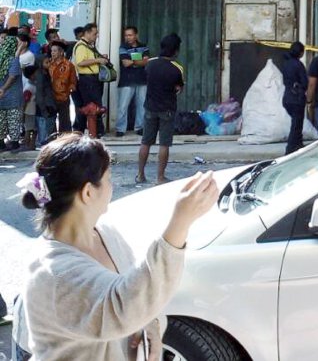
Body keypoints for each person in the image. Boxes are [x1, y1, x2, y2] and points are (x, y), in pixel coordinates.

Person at [17, 133, 218, 361]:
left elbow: (137, 286)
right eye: (108, 179)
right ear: (88, 192)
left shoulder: (104, 232)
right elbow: (121, 307)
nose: (112, 187)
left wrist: (149, 323)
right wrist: (180, 222)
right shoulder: (53, 273)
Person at [137, 34, 184, 185]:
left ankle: (140, 175)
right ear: (176, 51)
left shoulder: (149, 64)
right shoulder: (177, 69)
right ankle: (160, 177)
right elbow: (178, 88)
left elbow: (147, 79)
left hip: (150, 107)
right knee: (164, 144)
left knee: (146, 142)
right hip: (167, 109)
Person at [73, 24, 110, 135]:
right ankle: (94, 132)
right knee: (93, 107)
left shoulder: (89, 46)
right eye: (95, 33)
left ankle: (95, 131)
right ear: (87, 33)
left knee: (95, 105)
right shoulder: (81, 46)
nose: (96, 36)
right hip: (87, 80)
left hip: (94, 80)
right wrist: (98, 60)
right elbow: (80, 62)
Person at [116, 26, 150, 138]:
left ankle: (140, 127)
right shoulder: (123, 47)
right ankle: (120, 129)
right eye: (126, 35)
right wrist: (139, 62)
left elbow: (147, 62)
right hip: (127, 80)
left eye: (130, 35)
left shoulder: (143, 46)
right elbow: (125, 63)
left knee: (142, 105)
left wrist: (133, 62)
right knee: (123, 106)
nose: (128, 37)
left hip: (142, 80)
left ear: (136, 35)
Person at [282, 41, 309, 155]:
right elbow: (305, 82)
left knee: (296, 123)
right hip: (296, 98)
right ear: (301, 53)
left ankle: (298, 144)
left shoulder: (286, 64)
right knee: (296, 124)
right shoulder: (298, 65)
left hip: (287, 97)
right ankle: (291, 148)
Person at [0, 29, 24, 151]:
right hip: (12, 97)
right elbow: (13, 75)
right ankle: (14, 144)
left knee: (2, 121)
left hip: (5, 97)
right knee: (13, 121)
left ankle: (2, 144)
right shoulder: (13, 59)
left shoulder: (2, 58)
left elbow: (13, 75)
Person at [48, 40, 77, 132]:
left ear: (61, 52)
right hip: (50, 96)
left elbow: (73, 80)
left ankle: (65, 141)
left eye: (55, 51)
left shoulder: (69, 65)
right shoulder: (48, 64)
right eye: (52, 51)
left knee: (65, 121)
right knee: (51, 121)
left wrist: (71, 88)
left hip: (63, 96)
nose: (52, 53)